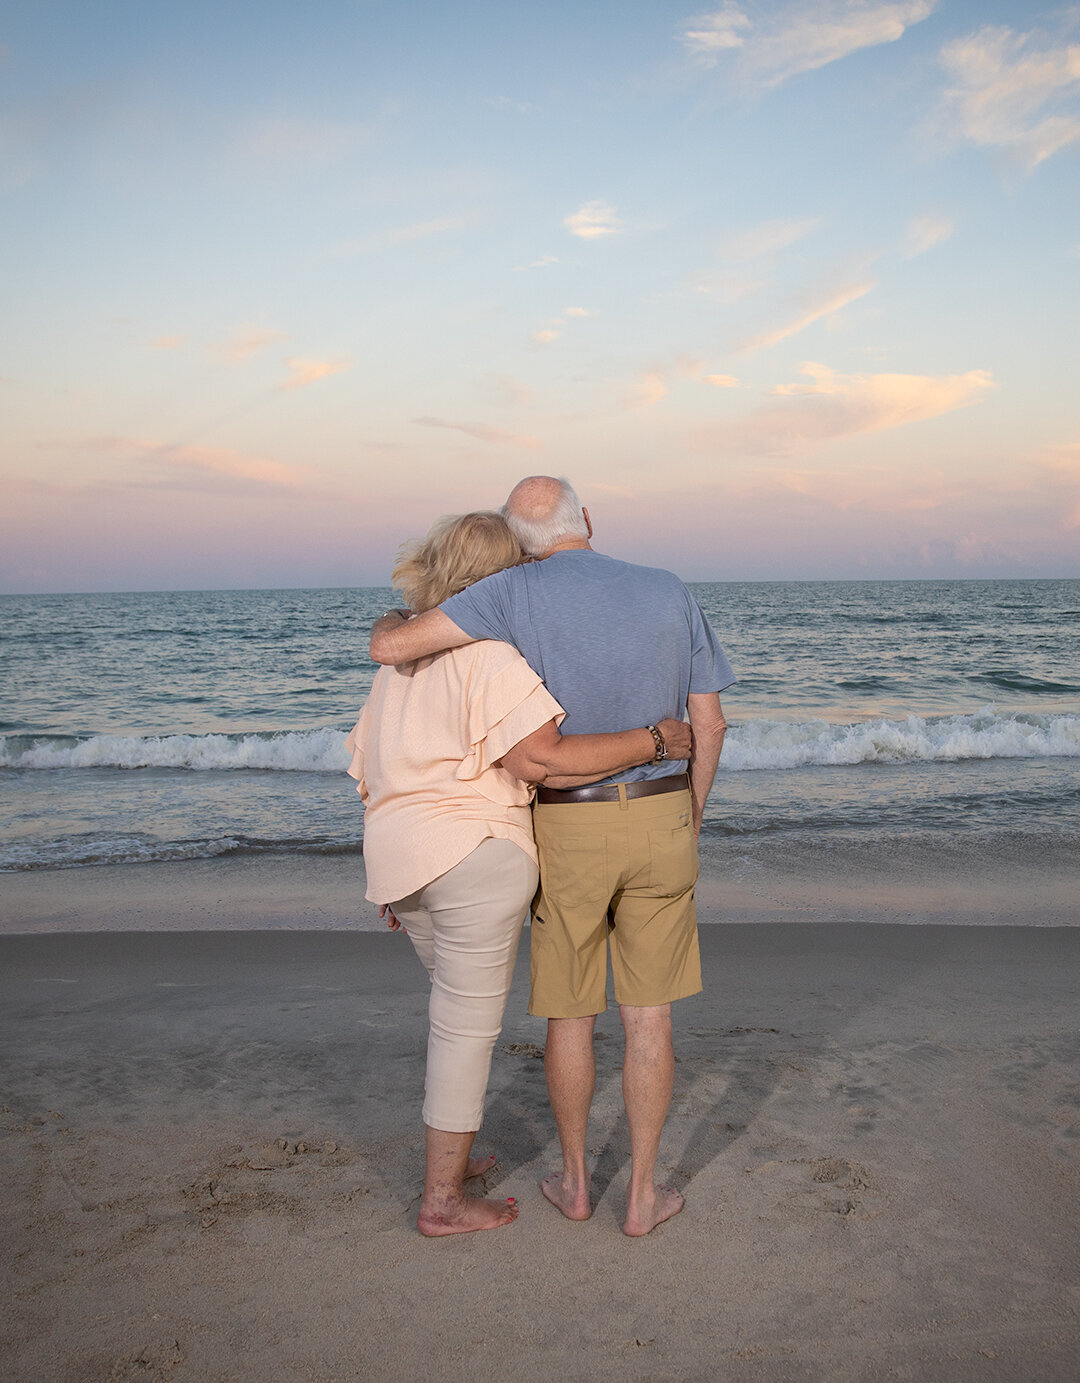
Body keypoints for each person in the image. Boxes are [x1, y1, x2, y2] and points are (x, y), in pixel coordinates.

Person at [369, 477, 733, 1235]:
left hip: (567, 826)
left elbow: (394, 646)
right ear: (588, 519)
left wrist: (399, 612)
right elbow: (712, 721)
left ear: (520, 544)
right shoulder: (669, 589)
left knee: (570, 1014)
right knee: (650, 1017)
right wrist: (687, 816)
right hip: (663, 811)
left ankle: (573, 1183)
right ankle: (641, 1196)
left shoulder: (509, 593)